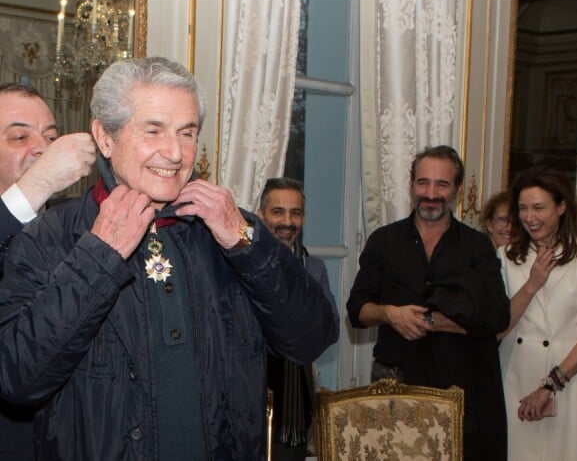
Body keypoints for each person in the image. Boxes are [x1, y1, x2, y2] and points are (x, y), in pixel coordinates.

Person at [0, 57, 338, 461]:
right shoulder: (52, 235)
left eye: (187, 132)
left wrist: (247, 244)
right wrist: (99, 257)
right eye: (153, 130)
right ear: (104, 137)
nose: (175, 152)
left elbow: (311, 338)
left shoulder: (230, 227)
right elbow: (18, 379)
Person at [347, 145, 510, 461]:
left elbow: (497, 317)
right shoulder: (383, 240)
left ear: (457, 190)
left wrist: (431, 322)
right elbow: (357, 310)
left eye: (441, 184)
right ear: (411, 185)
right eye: (423, 183)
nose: (431, 193)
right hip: (396, 388)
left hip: (463, 395)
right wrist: (390, 314)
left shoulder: (477, 247)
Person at [0, 83, 96, 461]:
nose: (42, 148)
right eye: (20, 136)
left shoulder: (75, 225)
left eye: (52, 137)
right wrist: (36, 185)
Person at [497, 166, 577, 461]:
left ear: (561, 206)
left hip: (570, 385)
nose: (530, 217)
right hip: (516, 382)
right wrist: (532, 285)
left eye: (539, 207)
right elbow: (496, 328)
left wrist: (550, 385)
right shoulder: (505, 259)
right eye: (522, 208)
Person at [257, 177, 339, 460]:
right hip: (248, 389)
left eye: (296, 213)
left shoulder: (313, 268)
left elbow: (331, 330)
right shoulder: (243, 263)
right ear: (261, 215)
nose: (287, 221)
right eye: (278, 211)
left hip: (295, 405)